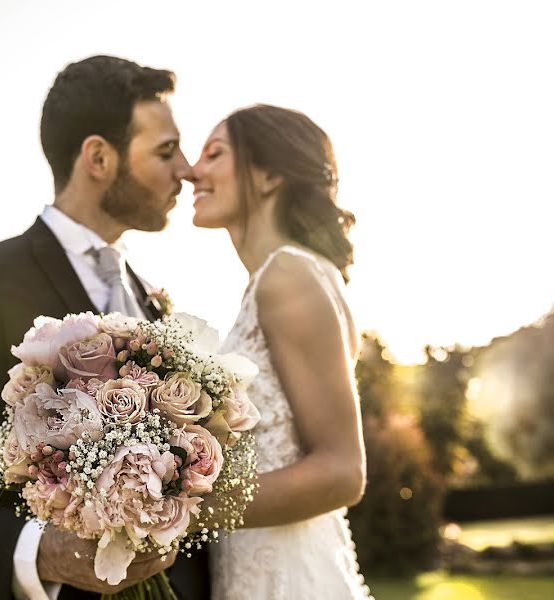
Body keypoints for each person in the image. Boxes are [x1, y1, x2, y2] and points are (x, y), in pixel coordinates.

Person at [0, 55, 210, 600]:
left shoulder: (157, 307)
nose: (186, 168)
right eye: (165, 150)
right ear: (99, 158)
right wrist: (47, 554)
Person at [189, 104, 373, 599]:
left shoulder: (286, 276)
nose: (191, 170)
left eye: (215, 154)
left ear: (268, 175)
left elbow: (341, 471)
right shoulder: (278, 277)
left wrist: (175, 510)